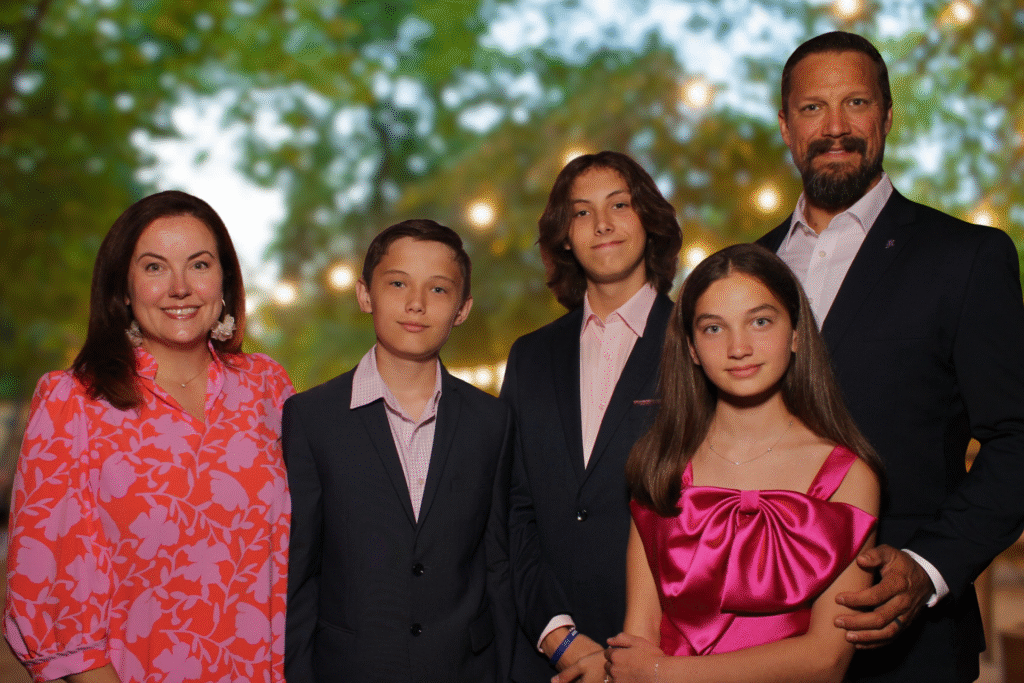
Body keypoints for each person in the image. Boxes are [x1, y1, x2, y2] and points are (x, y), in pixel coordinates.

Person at [758, 31, 1024, 682]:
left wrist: (930, 566)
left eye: (856, 102)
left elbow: (1018, 439)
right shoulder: (747, 269)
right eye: (814, 108)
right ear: (787, 126)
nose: (836, 127)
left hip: (908, 646)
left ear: (887, 116)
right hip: (753, 635)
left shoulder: (967, 258)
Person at [4, 190, 295, 683]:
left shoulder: (268, 387)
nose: (180, 288)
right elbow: (49, 592)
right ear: (123, 288)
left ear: (224, 282)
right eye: (155, 267)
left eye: (199, 265)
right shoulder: (72, 402)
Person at [561, 243, 881, 683]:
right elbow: (640, 636)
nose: (739, 347)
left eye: (760, 321)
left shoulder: (847, 476)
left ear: (796, 333)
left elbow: (826, 660)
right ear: (692, 348)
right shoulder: (661, 462)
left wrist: (665, 672)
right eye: (714, 328)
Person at [283, 219, 514, 683]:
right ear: (364, 294)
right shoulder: (312, 418)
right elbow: (300, 571)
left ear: (463, 309)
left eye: (438, 289)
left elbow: (497, 564)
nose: (416, 303)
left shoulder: (492, 421)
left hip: (464, 670)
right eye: (397, 283)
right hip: (350, 669)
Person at [502, 151, 683, 682]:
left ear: (649, 220)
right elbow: (511, 509)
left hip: (668, 653)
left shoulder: (697, 344)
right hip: (545, 656)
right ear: (564, 236)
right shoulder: (530, 357)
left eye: (619, 205)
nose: (601, 224)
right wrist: (558, 638)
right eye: (581, 212)